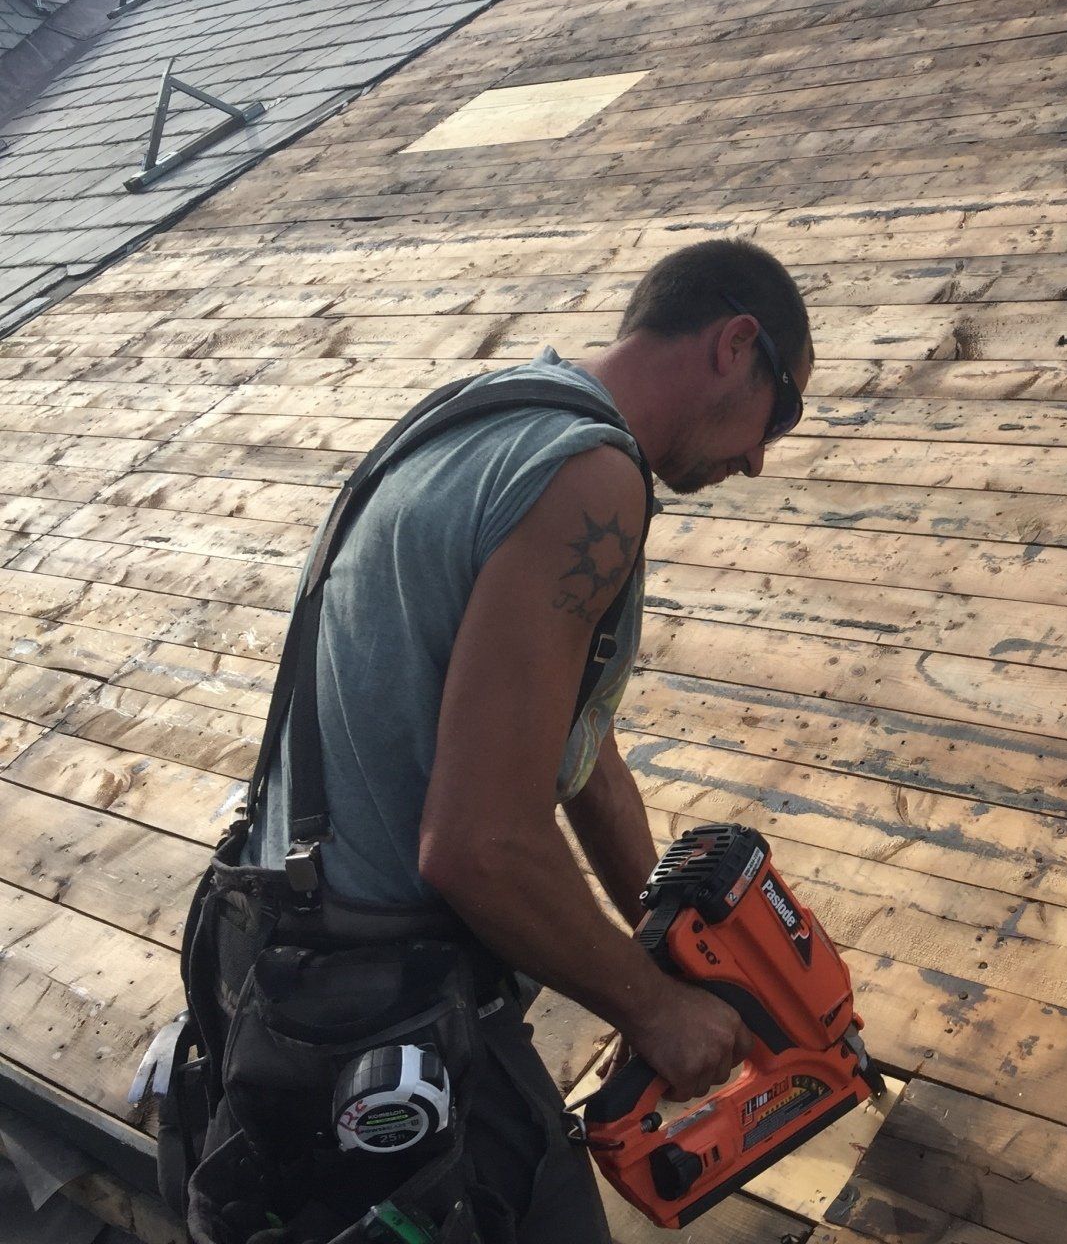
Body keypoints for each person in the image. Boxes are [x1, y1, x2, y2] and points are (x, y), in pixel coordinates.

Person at [185, 239, 812, 1241]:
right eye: (778, 416)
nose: (756, 458)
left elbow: (571, 753)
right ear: (738, 347)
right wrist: (651, 1008)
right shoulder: (590, 478)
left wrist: (674, 945)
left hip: (272, 949)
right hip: (372, 1005)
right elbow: (479, 845)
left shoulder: (491, 413)